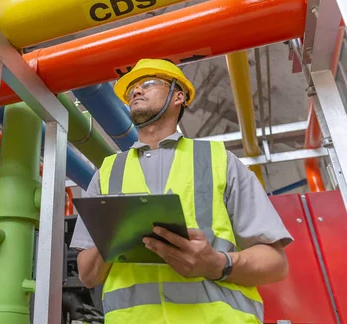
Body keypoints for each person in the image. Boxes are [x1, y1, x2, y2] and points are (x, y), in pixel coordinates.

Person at [70, 59, 292, 324]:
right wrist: (114, 233)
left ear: (179, 96)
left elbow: (276, 264)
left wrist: (217, 264)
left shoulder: (218, 160)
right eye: (132, 89)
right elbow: (88, 275)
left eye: (148, 83)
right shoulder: (106, 173)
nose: (137, 91)